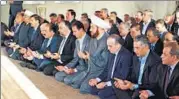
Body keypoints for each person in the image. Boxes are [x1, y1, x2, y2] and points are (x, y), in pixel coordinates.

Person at [89, 34, 133, 99]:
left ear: (118, 45)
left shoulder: (126, 56)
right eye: (108, 46)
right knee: (92, 89)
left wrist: (106, 84)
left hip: (117, 84)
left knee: (102, 94)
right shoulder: (111, 52)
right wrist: (97, 79)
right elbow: (106, 70)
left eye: (110, 46)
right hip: (109, 80)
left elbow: (123, 77)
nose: (108, 48)